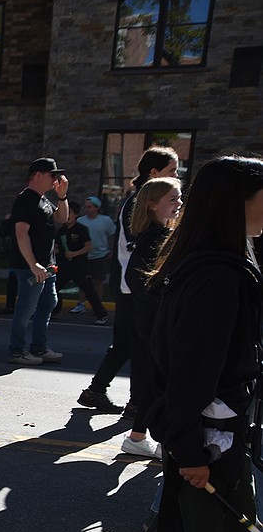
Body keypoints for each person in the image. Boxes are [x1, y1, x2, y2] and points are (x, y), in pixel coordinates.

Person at [97, 156, 263, 532]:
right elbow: (192, 374)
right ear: (236, 202)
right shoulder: (217, 273)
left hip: (200, 434)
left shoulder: (211, 261)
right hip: (209, 439)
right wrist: (192, 450)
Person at [78, 147, 179, 413]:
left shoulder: (147, 201)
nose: (177, 176)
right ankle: (136, 402)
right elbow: (142, 247)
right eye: (172, 171)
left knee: (126, 343)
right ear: (154, 173)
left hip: (130, 285)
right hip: (134, 287)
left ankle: (96, 390)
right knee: (141, 346)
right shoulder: (143, 203)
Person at [120, 178, 182, 463]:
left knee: (153, 381)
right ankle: (157, 440)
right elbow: (138, 281)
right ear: (152, 204)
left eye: (180, 198)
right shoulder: (156, 239)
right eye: (172, 199)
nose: (179, 204)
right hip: (155, 323)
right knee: (161, 383)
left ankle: (138, 437)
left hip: (153, 321)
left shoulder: (159, 235)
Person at [7, 157, 70, 365]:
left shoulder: (43, 199)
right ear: (37, 175)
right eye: (52, 175)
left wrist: (62, 197)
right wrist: (33, 264)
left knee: (48, 303)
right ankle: (17, 351)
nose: (55, 180)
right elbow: (21, 233)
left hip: (46, 266)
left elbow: (62, 218)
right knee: (26, 308)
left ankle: (39, 347)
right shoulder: (26, 199)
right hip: (30, 267)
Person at [52, 206, 109, 325]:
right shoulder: (61, 231)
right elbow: (57, 247)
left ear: (76, 215)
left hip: (79, 266)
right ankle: (54, 310)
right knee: (54, 288)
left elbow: (88, 246)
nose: (67, 216)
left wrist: (74, 253)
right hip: (64, 265)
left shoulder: (81, 229)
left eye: (70, 213)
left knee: (89, 290)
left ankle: (102, 314)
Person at [75, 195, 116, 313]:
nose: (87, 209)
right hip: (84, 255)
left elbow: (112, 235)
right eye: (86, 207)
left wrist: (112, 250)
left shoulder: (106, 220)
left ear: (96, 208)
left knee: (98, 281)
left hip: (101, 255)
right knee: (82, 281)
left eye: (90, 207)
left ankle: (97, 305)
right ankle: (81, 304)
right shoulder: (80, 221)